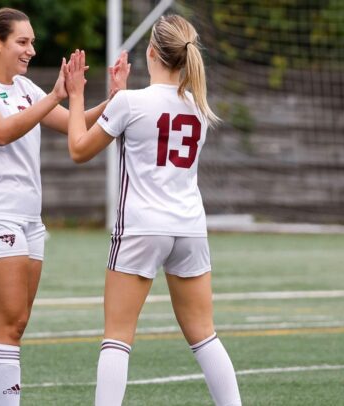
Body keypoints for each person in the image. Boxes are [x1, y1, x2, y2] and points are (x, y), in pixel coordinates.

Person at [0, 7, 128, 406]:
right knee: (9, 324)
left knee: (10, 324)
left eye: (32, 42)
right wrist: (53, 96)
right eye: (22, 41)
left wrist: (113, 101)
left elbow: (74, 122)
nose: (31, 49)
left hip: (29, 219)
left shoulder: (25, 89)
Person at [64, 15, 242, 406]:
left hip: (142, 227)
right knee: (204, 335)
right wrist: (119, 95)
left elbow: (78, 148)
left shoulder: (130, 102)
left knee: (117, 337)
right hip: (190, 228)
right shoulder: (199, 108)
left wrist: (77, 95)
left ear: (151, 52)